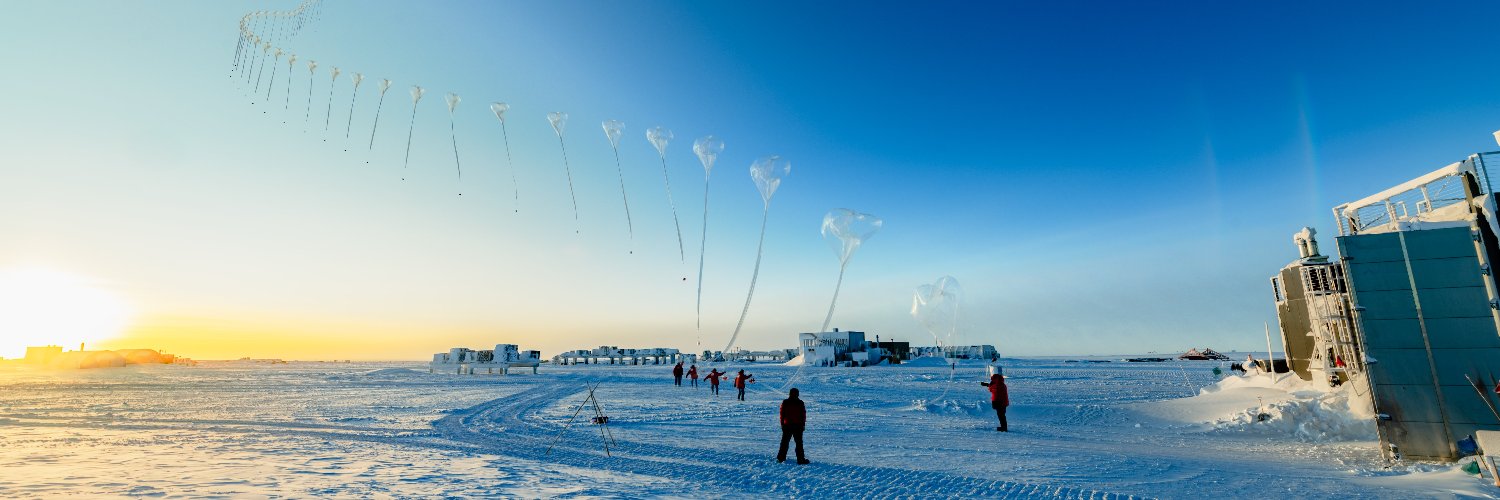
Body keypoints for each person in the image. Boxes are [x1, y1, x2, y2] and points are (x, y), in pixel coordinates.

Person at [777, 387, 809, 464]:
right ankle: (800, 459)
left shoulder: (785, 402)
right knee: (799, 443)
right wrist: (803, 425)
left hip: (787, 425)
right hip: (798, 426)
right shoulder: (800, 402)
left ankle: (781, 458)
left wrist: (782, 424)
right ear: (797, 394)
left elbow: (782, 414)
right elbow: (803, 415)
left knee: (784, 442)